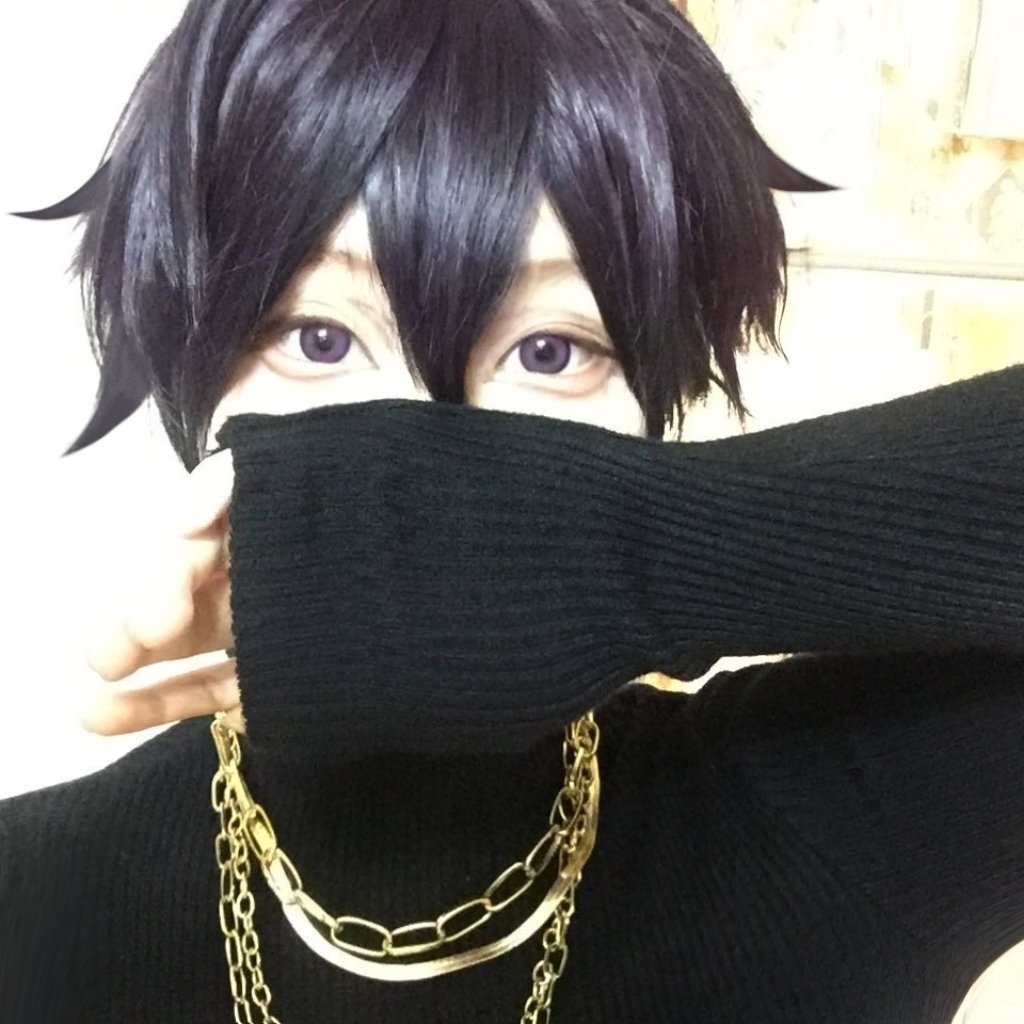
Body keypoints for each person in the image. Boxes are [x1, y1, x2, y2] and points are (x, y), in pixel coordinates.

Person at [1, 1, 1021, 1022]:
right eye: (319, 338)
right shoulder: (31, 896)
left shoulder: (835, 827)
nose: (421, 470)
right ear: (190, 363)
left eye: (550, 350)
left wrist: (647, 551)